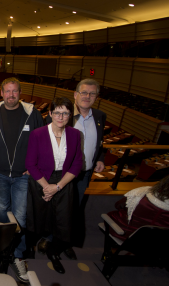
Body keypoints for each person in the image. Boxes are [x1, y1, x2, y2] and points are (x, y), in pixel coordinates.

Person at [0, 77, 44, 283]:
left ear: (20, 93)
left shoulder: (33, 114)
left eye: (15, 91)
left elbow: (43, 143)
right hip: (0, 175)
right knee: (2, 212)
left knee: (19, 217)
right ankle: (3, 249)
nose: (11, 95)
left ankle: (17, 255)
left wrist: (34, 167)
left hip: (22, 176)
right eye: (7, 91)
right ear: (1, 93)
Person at [42, 79, 107, 259]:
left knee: (73, 211)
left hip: (84, 173)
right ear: (75, 95)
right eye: (84, 93)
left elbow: (99, 143)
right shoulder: (62, 115)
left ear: (97, 97)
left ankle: (63, 241)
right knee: (56, 208)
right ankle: (49, 239)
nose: (87, 97)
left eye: (92, 94)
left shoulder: (100, 116)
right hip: (62, 173)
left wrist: (99, 158)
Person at [25, 96, 83, 274]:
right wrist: (46, 186)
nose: (61, 116)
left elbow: (77, 164)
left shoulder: (75, 134)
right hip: (40, 180)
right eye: (57, 112)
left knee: (63, 220)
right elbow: (30, 164)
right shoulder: (38, 133)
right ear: (50, 113)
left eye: (65, 113)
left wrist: (57, 187)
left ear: (70, 115)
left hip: (64, 181)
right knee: (38, 217)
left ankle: (53, 251)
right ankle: (30, 248)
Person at [107, 176, 169, 241]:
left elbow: (118, 205)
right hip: (161, 243)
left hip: (127, 236)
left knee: (111, 215)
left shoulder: (140, 193)